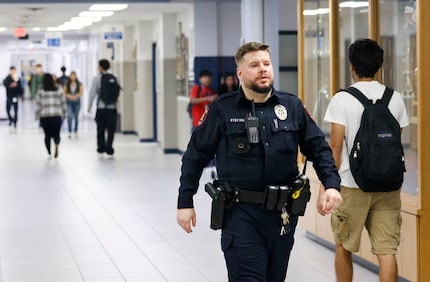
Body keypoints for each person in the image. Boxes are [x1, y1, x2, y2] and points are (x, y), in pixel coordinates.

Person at [177, 42, 343, 282]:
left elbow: (319, 149)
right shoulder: (222, 109)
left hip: (282, 215)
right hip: (240, 213)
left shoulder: (291, 106)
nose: (263, 69)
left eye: (266, 64)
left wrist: (331, 185)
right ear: (240, 73)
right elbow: (195, 156)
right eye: (254, 65)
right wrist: (185, 200)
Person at [319, 38, 409, 282]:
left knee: (344, 246)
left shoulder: (342, 99)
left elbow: (335, 147)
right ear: (379, 67)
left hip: (352, 185)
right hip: (388, 185)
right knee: (387, 251)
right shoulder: (395, 98)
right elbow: (395, 141)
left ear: (352, 66)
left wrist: (326, 187)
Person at [88, 59, 120, 158]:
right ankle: (109, 148)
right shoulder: (115, 77)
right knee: (111, 129)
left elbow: (92, 93)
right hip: (112, 107)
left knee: (100, 128)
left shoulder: (97, 78)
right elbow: (117, 92)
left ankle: (101, 147)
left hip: (101, 107)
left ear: (101, 67)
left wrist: (89, 105)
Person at [35, 73, 67, 159]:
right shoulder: (58, 89)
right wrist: (64, 113)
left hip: (45, 116)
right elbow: (63, 102)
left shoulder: (41, 90)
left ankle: (49, 153)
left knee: (47, 135)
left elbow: (38, 104)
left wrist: (37, 115)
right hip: (56, 115)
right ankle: (56, 144)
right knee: (57, 133)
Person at [3, 66, 24, 132]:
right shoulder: (7, 78)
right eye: (12, 71)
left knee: (15, 110)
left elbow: (20, 87)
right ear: (10, 71)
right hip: (9, 96)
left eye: (14, 71)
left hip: (15, 96)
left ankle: (15, 122)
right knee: (8, 110)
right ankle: (11, 119)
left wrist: (20, 95)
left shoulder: (17, 78)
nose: (13, 72)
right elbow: (5, 83)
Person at [64, 71, 83, 138]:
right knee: (69, 116)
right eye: (71, 75)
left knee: (76, 117)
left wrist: (75, 96)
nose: (73, 77)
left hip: (77, 102)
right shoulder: (67, 84)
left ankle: (76, 131)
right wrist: (69, 96)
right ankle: (69, 131)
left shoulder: (79, 84)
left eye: (74, 75)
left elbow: (81, 92)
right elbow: (64, 92)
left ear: (76, 76)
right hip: (69, 102)